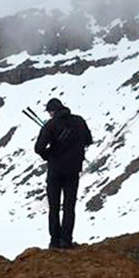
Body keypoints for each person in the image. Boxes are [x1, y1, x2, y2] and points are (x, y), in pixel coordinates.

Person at [32, 98, 92, 249]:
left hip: (55, 171)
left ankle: (54, 241)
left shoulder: (51, 125)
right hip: (73, 170)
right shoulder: (79, 121)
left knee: (54, 207)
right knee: (69, 207)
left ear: (52, 111)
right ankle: (66, 240)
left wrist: (49, 155)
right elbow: (88, 140)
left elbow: (38, 148)